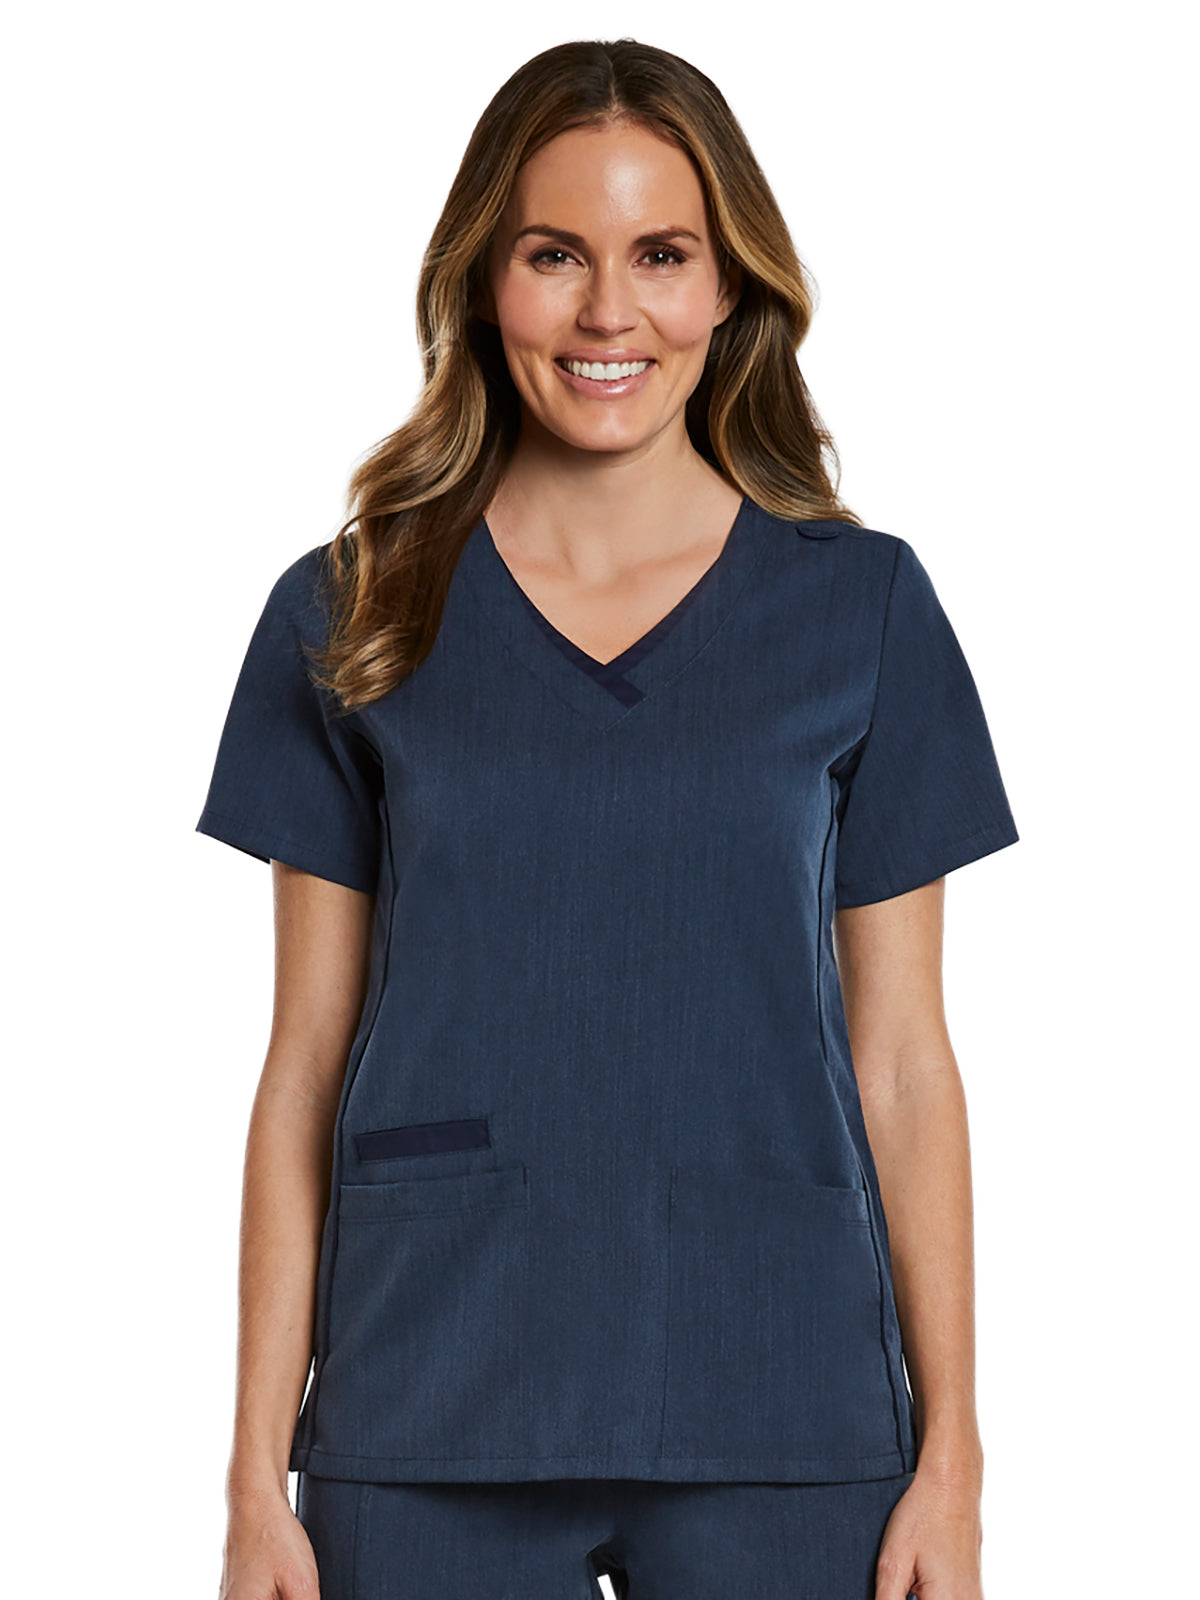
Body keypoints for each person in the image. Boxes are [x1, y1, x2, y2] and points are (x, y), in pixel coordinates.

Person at [199, 38, 1019, 1600]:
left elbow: (907, 1060)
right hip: (426, 1396)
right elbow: (303, 1060)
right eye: (554, 254)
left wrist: (957, 1462)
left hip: (784, 1401)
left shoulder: (861, 612)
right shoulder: (353, 610)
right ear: (482, 282)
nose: (607, 314)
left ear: (728, 288)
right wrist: (251, 1481)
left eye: (661, 255)